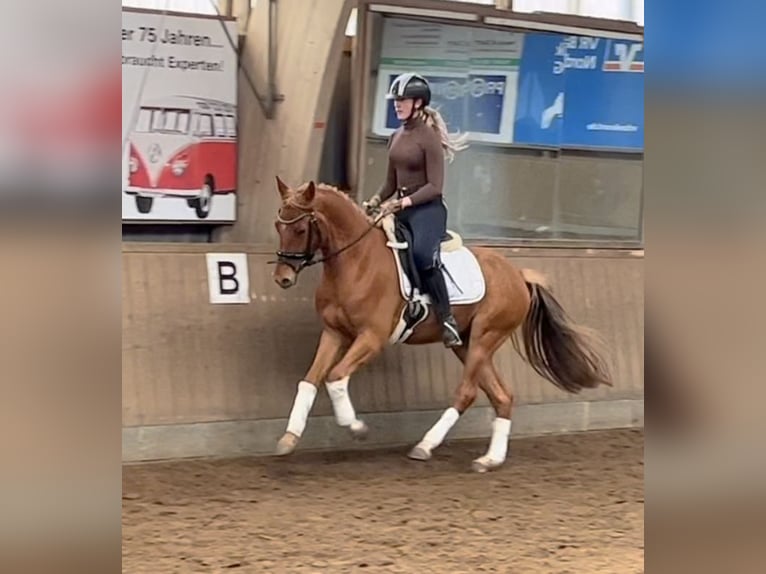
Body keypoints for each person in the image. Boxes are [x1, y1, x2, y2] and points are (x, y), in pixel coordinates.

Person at [364, 72, 469, 348]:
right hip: (400, 207)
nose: (397, 105)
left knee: (423, 254)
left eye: (403, 100)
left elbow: (435, 186)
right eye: (396, 100)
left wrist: (404, 202)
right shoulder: (396, 136)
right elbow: (390, 182)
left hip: (427, 210)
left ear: (418, 103)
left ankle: (446, 318)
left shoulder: (429, 138)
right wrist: (374, 201)